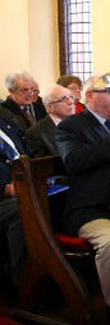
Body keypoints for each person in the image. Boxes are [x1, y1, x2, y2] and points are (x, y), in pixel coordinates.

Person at [55, 74, 110, 324]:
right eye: (109, 92)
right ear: (89, 96)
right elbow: (75, 161)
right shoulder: (72, 126)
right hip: (91, 208)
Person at [0, 115, 30, 288]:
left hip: (23, 182)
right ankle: (25, 285)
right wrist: (7, 189)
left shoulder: (6, 122)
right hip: (5, 195)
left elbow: (26, 153)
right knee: (20, 209)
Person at [25, 85, 76, 157]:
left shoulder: (81, 123)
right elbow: (43, 165)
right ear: (50, 107)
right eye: (64, 99)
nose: (71, 102)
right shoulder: (36, 133)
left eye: (71, 97)